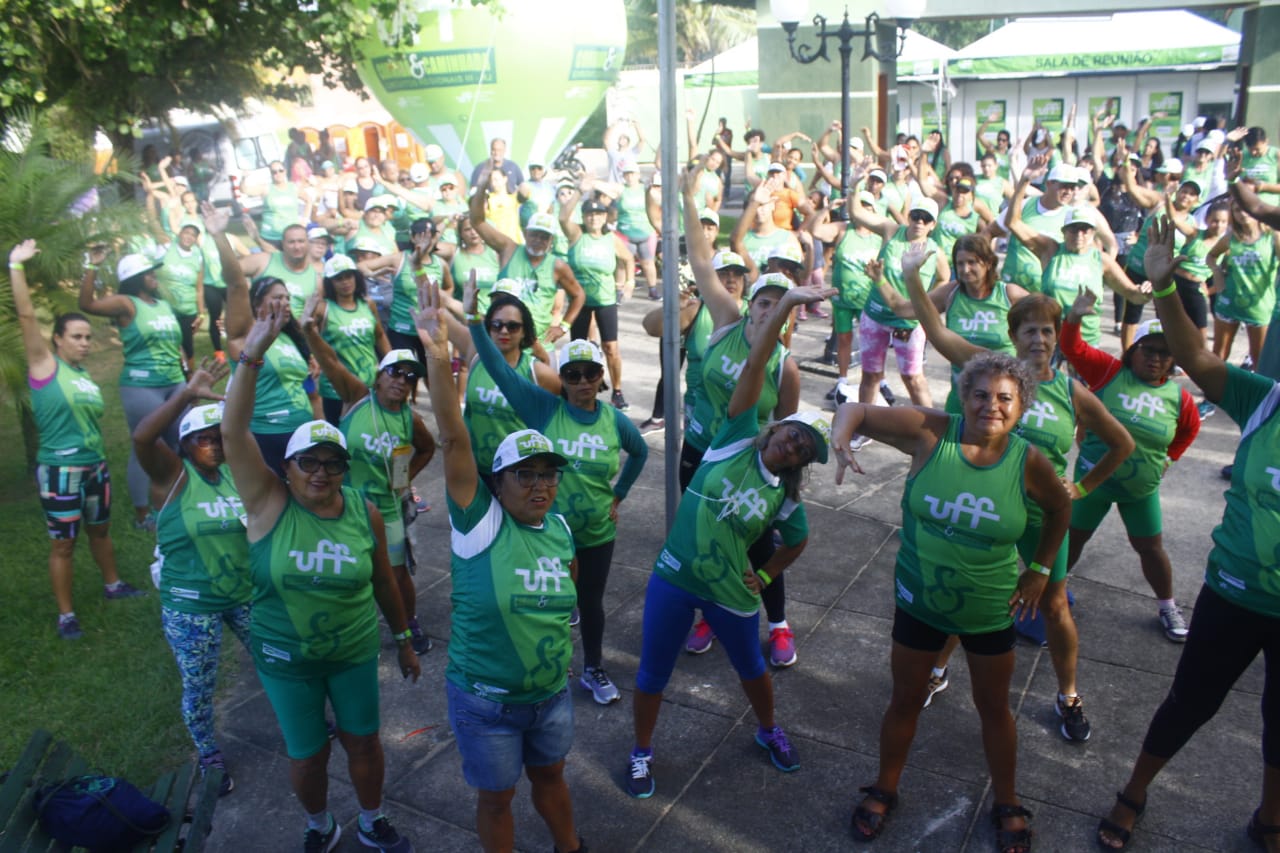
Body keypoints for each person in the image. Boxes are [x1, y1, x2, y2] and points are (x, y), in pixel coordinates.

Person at [832, 351, 1070, 851]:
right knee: (904, 699)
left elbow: (1059, 507)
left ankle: (1006, 799)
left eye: (1005, 398)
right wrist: (839, 436)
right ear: (963, 396)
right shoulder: (931, 433)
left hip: (989, 609)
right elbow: (855, 410)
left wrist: (1041, 570)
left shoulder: (1028, 461)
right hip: (918, 601)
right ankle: (886, 787)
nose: (992, 406)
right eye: (980, 394)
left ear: (1022, 406)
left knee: (994, 708)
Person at [899, 242, 1135, 740]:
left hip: (1042, 517)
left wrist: (1083, 486)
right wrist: (912, 277)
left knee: (1054, 605)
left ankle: (1068, 695)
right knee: (968, 590)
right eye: (1031, 330)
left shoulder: (1072, 393)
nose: (1040, 339)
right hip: (987, 506)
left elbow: (1121, 443)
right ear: (1015, 336)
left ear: (1057, 338)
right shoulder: (995, 370)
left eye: (1048, 331)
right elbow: (937, 332)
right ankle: (938, 672)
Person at [1095, 219, 1280, 851]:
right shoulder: (1265, 399)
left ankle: (1269, 818)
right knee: (1190, 701)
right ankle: (1134, 792)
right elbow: (1197, 358)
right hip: (1234, 592)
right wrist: (1164, 285)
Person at [221, 296, 420, 853]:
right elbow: (234, 434)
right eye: (307, 461)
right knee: (307, 753)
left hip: (353, 652)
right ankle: (318, 825)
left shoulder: (365, 510)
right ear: (286, 469)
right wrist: (252, 355)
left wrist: (403, 639)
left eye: (332, 462)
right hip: (287, 659)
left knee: (364, 743)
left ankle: (371, 818)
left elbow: (385, 580)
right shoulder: (268, 505)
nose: (320, 472)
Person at [626, 279, 834, 799]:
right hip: (674, 578)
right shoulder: (734, 436)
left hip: (730, 594)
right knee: (653, 672)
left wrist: (763, 575)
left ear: (803, 461)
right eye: (793, 432)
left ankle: (768, 731)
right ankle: (641, 751)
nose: (793, 443)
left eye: (804, 447)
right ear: (778, 425)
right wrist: (784, 307)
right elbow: (755, 366)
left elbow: (797, 542)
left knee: (753, 670)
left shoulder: (786, 497)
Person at [414, 278, 587, 853]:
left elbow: (565, 597)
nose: (539, 486)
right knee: (497, 799)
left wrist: (560, 653)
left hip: (550, 697)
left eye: (548, 475)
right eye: (525, 475)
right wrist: (440, 359)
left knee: (552, 778)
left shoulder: (560, 530)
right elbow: (454, 440)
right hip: (486, 701)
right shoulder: (479, 521)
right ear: (498, 480)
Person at [466, 271, 648, 704]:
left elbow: (640, 453)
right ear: (561, 377)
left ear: (601, 377)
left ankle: (594, 668)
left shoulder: (613, 420)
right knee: (548, 601)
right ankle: (548, 665)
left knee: (590, 603)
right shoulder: (543, 407)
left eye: (590, 374)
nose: (582, 382)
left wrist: (619, 495)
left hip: (597, 534)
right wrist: (475, 320)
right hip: (549, 533)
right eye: (573, 374)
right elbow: (496, 366)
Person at [682, 161, 805, 666]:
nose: (767, 311)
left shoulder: (786, 365)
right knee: (702, 533)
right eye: (763, 302)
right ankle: (708, 612)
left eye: (780, 305)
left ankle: (777, 625)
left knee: (757, 546)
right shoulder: (725, 320)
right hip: (700, 449)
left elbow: (787, 430)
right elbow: (699, 258)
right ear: (750, 304)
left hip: (750, 465)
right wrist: (689, 198)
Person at [12, 239, 146, 640]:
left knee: (100, 530)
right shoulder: (44, 367)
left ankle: (112, 584)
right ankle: (66, 615)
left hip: (95, 465)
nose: (84, 343)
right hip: (59, 470)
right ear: (57, 339)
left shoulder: (85, 377)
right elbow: (25, 317)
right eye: (76, 337)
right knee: (63, 545)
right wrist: (16, 267)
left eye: (88, 337)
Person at [132, 359, 251, 795]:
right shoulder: (174, 478)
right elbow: (142, 437)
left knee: (277, 659)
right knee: (200, 683)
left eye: (220, 438)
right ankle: (207, 750)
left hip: (241, 593)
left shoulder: (234, 476)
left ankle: (299, 719)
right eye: (204, 440)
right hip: (190, 605)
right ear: (183, 445)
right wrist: (185, 394)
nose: (215, 446)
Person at [1059, 286, 1201, 643]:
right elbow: (1071, 348)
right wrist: (1074, 317)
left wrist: (1171, 458)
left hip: (1141, 491)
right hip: (1091, 483)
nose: (1155, 359)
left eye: (1165, 354)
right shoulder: (1108, 371)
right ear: (1132, 350)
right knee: (1072, 539)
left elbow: (1189, 429)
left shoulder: (1179, 398)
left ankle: (1167, 605)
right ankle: (1052, 591)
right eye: (1148, 350)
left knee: (1150, 549)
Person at [301, 297, 437, 657]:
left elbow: (427, 448)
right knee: (342, 571)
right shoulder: (358, 397)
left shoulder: (411, 419)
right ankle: (345, 630)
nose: (402, 380)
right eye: (395, 372)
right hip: (345, 507)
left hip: (389, 508)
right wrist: (310, 331)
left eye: (410, 376)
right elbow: (330, 362)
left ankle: (408, 624)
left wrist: (406, 478)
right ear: (379, 377)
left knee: (395, 573)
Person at [78, 247, 186, 529]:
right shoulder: (126, 304)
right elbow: (87, 304)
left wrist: (183, 360)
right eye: (148, 273)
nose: (154, 276)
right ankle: (143, 514)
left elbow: (173, 340)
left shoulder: (161, 304)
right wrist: (93, 265)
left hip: (175, 382)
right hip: (142, 385)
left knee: (182, 441)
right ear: (135, 277)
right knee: (147, 445)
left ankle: (181, 499)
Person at [207, 204, 316, 475]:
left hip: (302, 434)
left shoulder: (292, 340)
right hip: (265, 436)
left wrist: (319, 428)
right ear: (257, 303)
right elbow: (236, 284)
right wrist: (220, 236)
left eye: (288, 298)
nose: (285, 303)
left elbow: (311, 392)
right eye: (277, 298)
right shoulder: (246, 335)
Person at [846, 188, 952, 415]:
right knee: (871, 375)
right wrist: (855, 185)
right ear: (909, 216)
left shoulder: (935, 252)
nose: (919, 223)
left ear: (933, 225)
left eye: (926, 219)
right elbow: (856, 213)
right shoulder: (891, 231)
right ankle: (863, 427)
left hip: (909, 324)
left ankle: (933, 430)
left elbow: (944, 278)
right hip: (876, 315)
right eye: (916, 216)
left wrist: (926, 303)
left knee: (913, 378)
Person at [470, 168, 585, 344]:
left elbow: (578, 294)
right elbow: (477, 222)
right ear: (526, 233)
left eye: (544, 236)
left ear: (551, 240)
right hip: (503, 339)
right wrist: (481, 186)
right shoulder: (509, 249)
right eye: (534, 234)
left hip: (539, 343)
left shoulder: (557, 266)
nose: (538, 240)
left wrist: (563, 327)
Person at [458, 281, 562, 473]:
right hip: (475, 470)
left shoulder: (538, 373)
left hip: (517, 477)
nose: (504, 331)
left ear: (524, 332)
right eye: (497, 325)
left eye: (513, 326)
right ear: (488, 329)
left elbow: (561, 422)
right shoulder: (477, 361)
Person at [558, 188, 634, 410]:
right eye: (590, 214)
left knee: (611, 347)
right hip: (580, 301)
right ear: (583, 217)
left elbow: (628, 258)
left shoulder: (611, 239)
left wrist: (629, 283)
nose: (594, 218)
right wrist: (579, 190)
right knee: (578, 349)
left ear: (605, 217)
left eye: (599, 214)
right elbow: (563, 216)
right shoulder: (576, 235)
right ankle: (575, 389)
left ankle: (617, 391)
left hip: (605, 299)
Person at [308, 253, 391, 424]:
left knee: (369, 432)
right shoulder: (323, 309)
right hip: (336, 389)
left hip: (369, 383)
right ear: (330, 282)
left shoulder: (368, 304)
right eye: (338, 278)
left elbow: (380, 335)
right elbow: (307, 336)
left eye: (348, 276)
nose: (345, 282)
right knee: (340, 439)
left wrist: (391, 363)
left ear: (356, 277)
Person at [246, 160, 310, 249]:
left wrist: (305, 220)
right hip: (270, 236)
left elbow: (309, 200)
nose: (278, 174)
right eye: (274, 172)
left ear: (285, 171)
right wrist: (244, 178)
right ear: (271, 174)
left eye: (281, 170)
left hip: (290, 236)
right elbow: (245, 190)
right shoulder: (266, 188)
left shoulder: (293, 187)